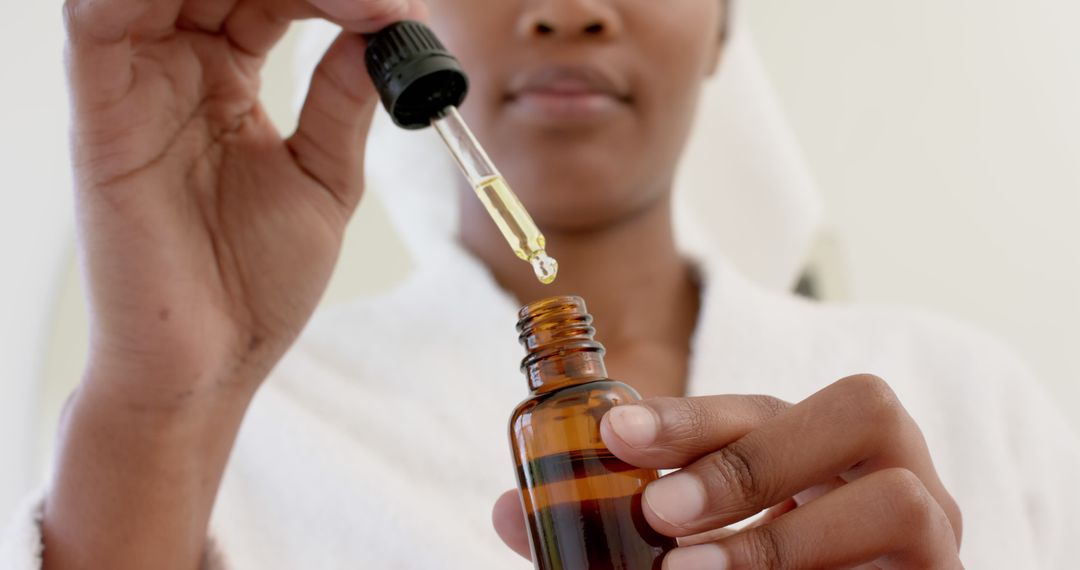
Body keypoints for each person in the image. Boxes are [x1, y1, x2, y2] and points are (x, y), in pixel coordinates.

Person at [2, 0, 1078, 568]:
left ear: (724, 29)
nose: (568, 9)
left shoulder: (963, 393)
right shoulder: (247, 430)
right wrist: (159, 407)